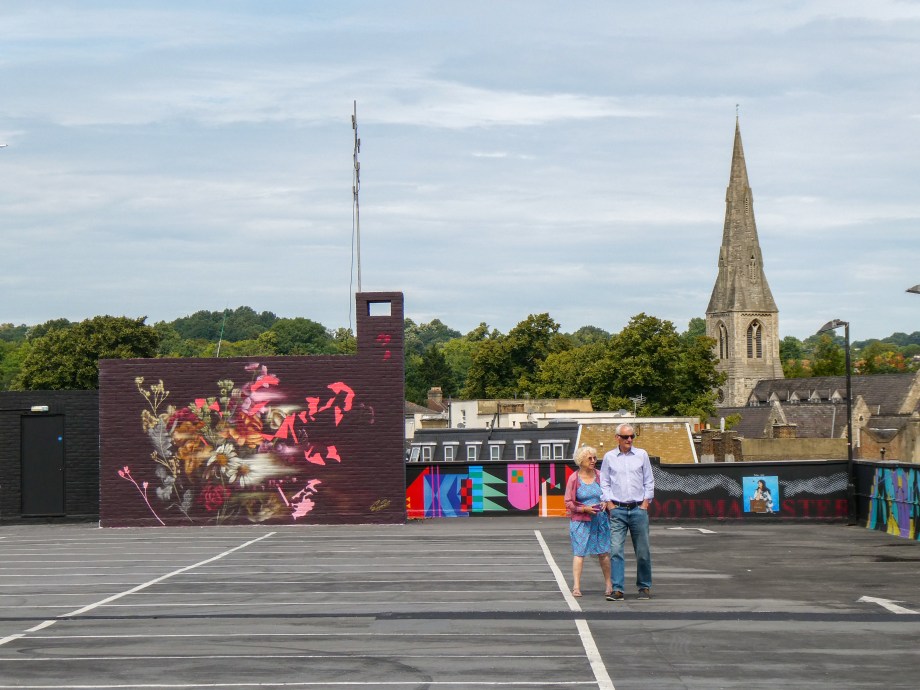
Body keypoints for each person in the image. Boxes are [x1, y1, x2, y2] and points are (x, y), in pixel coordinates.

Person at [599, 423, 655, 601]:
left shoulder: (641, 455)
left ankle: (644, 586)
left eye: (632, 436)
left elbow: (649, 480)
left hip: (638, 508)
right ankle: (617, 589)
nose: (629, 439)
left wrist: (645, 503)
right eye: (625, 437)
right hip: (618, 509)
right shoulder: (609, 457)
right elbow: (604, 482)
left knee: (643, 551)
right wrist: (609, 503)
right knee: (616, 550)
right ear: (617, 438)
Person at [564, 445, 613, 598]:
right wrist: (584, 509)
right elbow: (568, 502)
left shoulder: (600, 476)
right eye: (589, 458)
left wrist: (605, 502)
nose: (593, 461)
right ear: (581, 461)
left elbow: (609, 494)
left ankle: (609, 584)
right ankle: (576, 587)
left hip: (600, 520)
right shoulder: (574, 478)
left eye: (594, 458)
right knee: (579, 553)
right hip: (581, 521)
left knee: (604, 553)